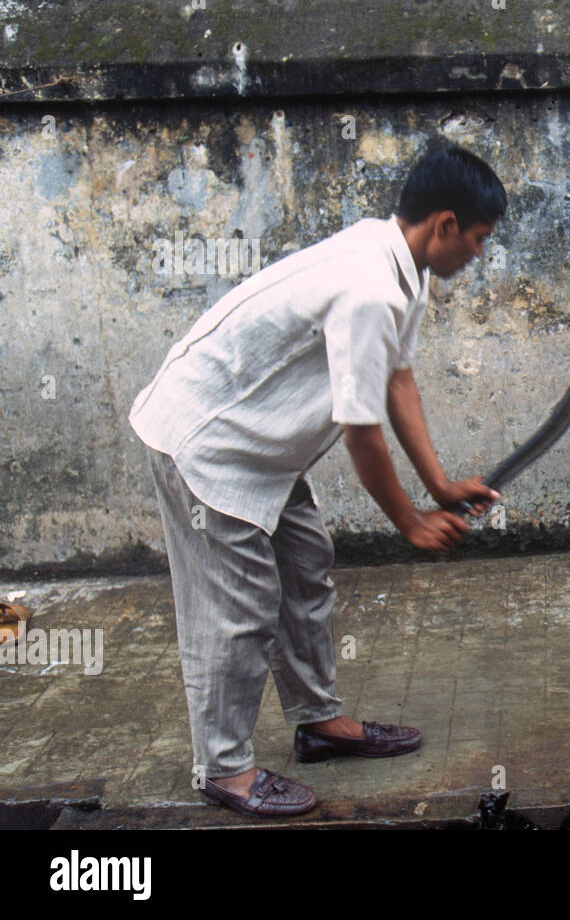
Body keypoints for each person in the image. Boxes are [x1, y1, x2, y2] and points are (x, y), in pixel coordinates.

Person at [129, 142, 505, 816]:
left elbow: (396, 379)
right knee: (237, 608)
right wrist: (410, 521)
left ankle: (318, 723)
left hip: (263, 445)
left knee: (305, 565)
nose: (478, 254)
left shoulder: (403, 267)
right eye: (477, 239)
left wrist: (441, 485)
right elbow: (361, 432)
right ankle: (224, 768)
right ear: (444, 224)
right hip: (209, 443)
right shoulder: (369, 288)